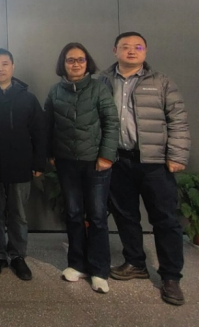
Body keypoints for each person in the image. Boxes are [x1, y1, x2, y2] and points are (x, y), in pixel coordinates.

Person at [99, 32, 190, 306]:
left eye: (137, 47)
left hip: (155, 162)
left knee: (165, 219)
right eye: (125, 46)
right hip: (118, 160)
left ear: (145, 51)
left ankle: (171, 276)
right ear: (115, 50)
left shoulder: (161, 82)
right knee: (125, 215)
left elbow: (178, 120)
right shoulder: (102, 81)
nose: (131, 51)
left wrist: (177, 155)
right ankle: (135, 262)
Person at [45, 42, 119, 294]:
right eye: (70, 60)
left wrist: (106, 155)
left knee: (97, 216)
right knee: (74, 213)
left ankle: (99, 269)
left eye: (80, 60)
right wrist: (51, 153)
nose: (75, 64)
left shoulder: (99, 89)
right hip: (66, 162)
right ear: (63, 64)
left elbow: (111, 122)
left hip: (96, 163)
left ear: (87, 63)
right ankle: (77, 264)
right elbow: (48, 125)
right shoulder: (55, 91)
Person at [0, 48, 46, 281]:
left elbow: (40, 132)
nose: (0, 68)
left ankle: (17, 256)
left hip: (20, 165)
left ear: (13, 67)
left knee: (19, 214)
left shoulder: (27, 98)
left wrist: (39, 162)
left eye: (5, 64)